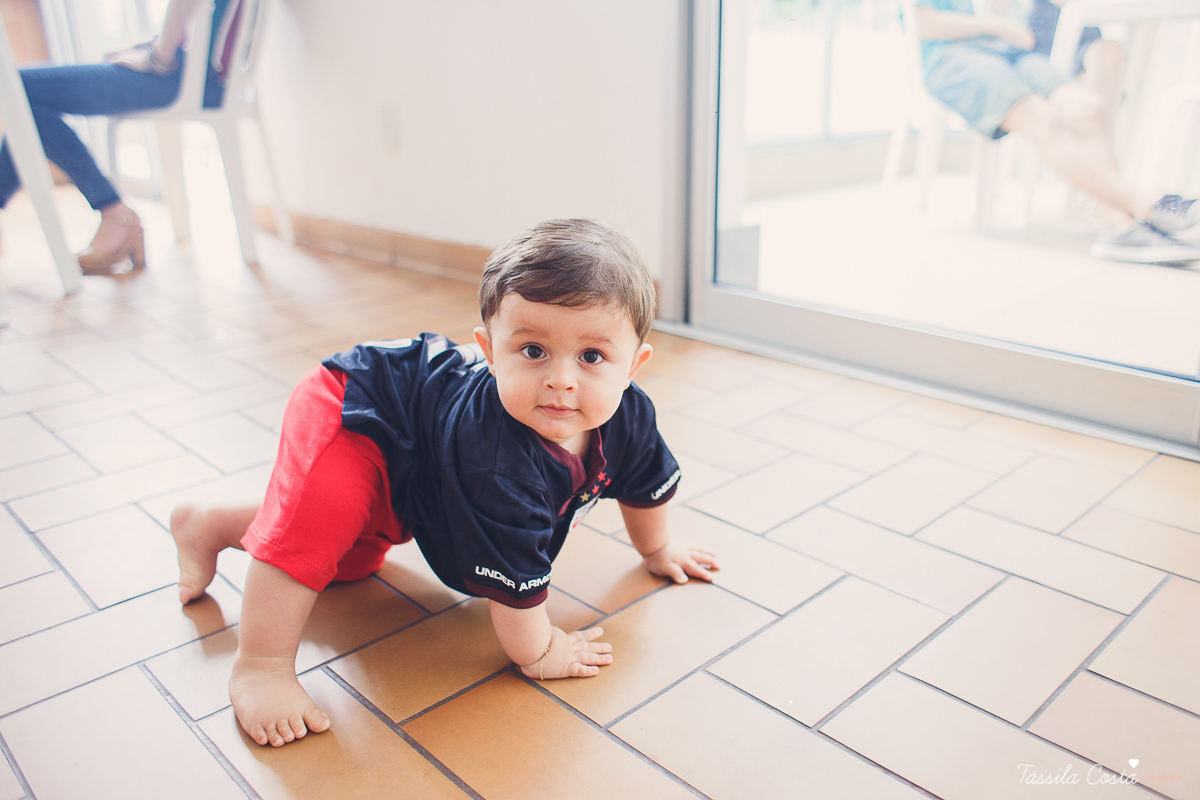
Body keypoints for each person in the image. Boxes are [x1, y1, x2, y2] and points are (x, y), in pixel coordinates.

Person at [168, 219, 719, 748]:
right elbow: (516, 598)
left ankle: (209, 524)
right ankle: (261, 667)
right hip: (358, 405)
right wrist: (541, 651)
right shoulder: (498, 462)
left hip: (421, 457)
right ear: (490, 351)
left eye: (592, 356)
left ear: (634, 366)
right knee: (316, 527)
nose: (560, 379)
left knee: (352, 563)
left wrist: (657, 548)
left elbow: (644, 482)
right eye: (532, 351)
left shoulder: (631, 417)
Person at [914, 0, 1200, 262]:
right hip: (953, 55)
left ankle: (1118, 224)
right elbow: (923, 23)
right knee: (1042, 118)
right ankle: (1142, 207)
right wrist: (997, 27)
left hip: (1013, 51)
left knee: (1086, 108)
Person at [0, 0, 241, 273]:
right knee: (21, 97)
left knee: (14, 85)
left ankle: (115, 213)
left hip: (185, 75)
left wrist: (159, 57)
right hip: (195, 71)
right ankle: (114, 212)